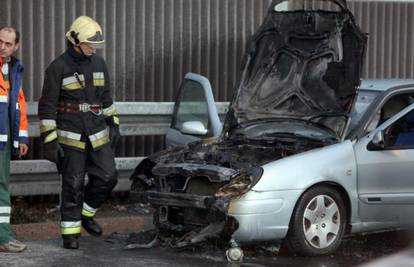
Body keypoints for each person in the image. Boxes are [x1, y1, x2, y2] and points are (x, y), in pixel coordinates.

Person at [38, 16, 120, 249]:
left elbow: (106, 98)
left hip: (97, 134)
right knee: (73, 185)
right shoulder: (58, 67)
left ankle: (86, 215)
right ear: (75, 41)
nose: (93, 49)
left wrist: (113, 122)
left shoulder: (99, 64)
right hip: (70, 137)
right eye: (88, 44)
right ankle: (70, 235)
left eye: (95, 45)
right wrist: (50, 141)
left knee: (108, 177)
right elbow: (47, 107)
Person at [0, 26, 29, 252]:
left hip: (4, 141)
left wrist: (22, 138)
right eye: (0, 41)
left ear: (16, 46)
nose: (3, 47)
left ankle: (3, 237)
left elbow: (19, 106)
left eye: (8, 44)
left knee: (2, 187)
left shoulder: (14, 68)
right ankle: (3, 238)